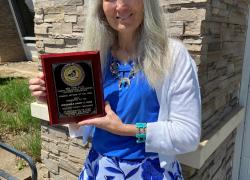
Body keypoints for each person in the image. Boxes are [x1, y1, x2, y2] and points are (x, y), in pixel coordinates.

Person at [29, 0, 201, 179]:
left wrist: (124, 129)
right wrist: (59, 103)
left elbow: (188, 134)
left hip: (150, 172)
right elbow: (83, 127)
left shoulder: (173, 56)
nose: (120, 6)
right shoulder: (96, 56)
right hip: (99, 169)